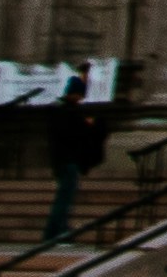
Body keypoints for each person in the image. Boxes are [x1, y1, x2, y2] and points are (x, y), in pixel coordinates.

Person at [36, 88, 112, 244]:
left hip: (63, 160)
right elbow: (78, 133)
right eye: (78, 94)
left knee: (64, 198)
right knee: (64, 199)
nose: (80, 98)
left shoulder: (61, 112)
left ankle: (57, 231)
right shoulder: (68, 113)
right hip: (68, 161)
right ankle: (57, 232)